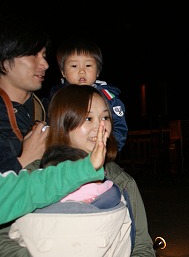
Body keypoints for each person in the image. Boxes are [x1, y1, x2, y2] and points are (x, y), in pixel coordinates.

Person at [0, 85, 155, 257]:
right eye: (88, 118)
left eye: (105, 117)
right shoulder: (34, 177)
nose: (100, 126)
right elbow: (4, 240)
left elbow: (142, 246)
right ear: (63, 123)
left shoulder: (121, 181)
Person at [0, 121, 108, 225]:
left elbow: (29, 190)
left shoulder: (110, 174)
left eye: (105, 118)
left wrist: (87, 167)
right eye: (88, 119)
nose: (97, 126)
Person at [41, 36, 128, 152]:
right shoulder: (56, 96)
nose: (82, 71)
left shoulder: (107, 97)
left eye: (88, 65)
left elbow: (119, 126)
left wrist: (109, 150)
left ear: (97, 71)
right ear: (63, 72)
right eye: (74, 66)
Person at [0, 14, 50, 173]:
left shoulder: (47, 108)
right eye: (33, 54)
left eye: (44, 55)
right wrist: (24, 160)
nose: (45, 64)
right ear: (4, 60)